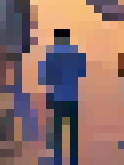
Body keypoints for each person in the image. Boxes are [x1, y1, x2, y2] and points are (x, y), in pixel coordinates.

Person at [38, 28, 88, 165]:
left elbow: (44, 77)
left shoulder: (51, 54)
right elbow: (82, 72)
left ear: (56, 39)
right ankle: (73, 160)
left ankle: (58, 159)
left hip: (56, 97)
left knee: (58, 132)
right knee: (72, 132)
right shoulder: (76, 53)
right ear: (68, 38)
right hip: (72, 96)